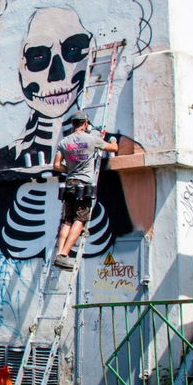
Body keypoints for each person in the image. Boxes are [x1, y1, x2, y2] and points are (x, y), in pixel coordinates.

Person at [52, 110, 118, 269]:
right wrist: (113, 139)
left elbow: (56, 165)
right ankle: (64, 254)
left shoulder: (64, 142)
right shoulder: (92, 140)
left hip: (69, 184)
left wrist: (70, 170)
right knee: (79, 219)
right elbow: (113, 148)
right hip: (84, 185)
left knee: (67, 220)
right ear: (85, 123)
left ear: (73, 124)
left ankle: (59, 252)